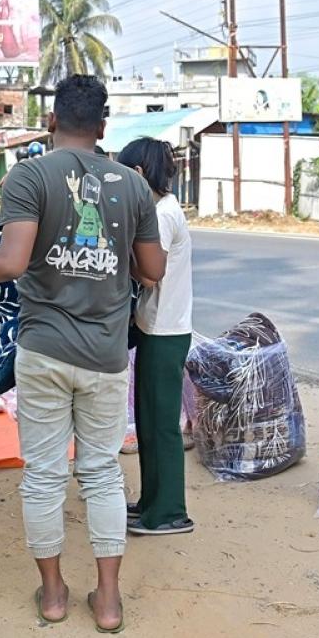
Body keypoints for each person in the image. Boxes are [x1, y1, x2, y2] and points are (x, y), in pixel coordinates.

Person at [0, 75, 166, 633]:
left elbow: (9, 263)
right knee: (103, 473)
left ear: (51, 121)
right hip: (105, 355)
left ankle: (53, 595)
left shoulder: (28, 175)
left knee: (45, 475)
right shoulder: (130, 185)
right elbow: (153, 272)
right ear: (103, 127)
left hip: (44, 350)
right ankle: (107, 601)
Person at [117, 137, 195, 536]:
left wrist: (118, 252)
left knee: (162, 424)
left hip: (166, 332)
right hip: (155, 327)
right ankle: (151, 501)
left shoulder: (162, 214)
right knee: (148, 420)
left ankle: (169, 512)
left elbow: (151, 274)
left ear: (139, 173)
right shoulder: (158, 209)